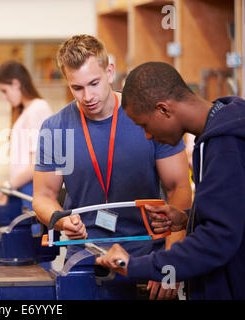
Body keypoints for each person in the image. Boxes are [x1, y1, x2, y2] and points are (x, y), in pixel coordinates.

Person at [32, 35, 193, 299]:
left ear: (110, 71)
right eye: (77, 88)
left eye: (94, 83)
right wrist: (60, 219)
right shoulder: (56, 128)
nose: (88, 96)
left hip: (146, 261)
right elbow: (43, 196)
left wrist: (169, 260)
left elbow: (179, 188)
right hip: (84, 262)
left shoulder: (149, 116)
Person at [95, 61, 245, 300]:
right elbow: (236, 215)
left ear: (163, 109)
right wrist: (188, 220)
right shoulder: (214, 137)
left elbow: (218, 239)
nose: (147, 135)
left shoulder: (225, 144)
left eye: (144, 125)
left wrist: (133, 265)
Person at [0, 60, 53, 210]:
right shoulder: (26, 111)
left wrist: (9, 185)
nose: (5, 97)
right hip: (25, 187)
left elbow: (38, 163)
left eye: (4, 91)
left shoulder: (37, 109)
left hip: (34, 187)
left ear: (16, 83)